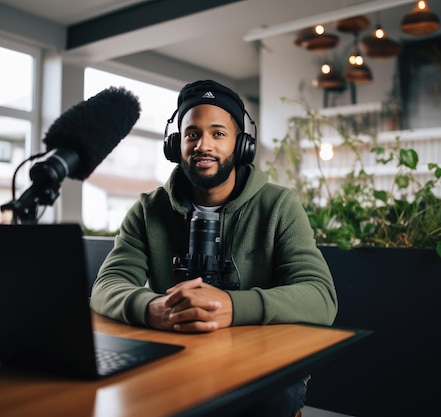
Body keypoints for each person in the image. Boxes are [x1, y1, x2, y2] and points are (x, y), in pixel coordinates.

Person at [90, 79, 338, 417]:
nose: (203, 144)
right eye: (192, 134)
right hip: (178, 355)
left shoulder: (279, 205)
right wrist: (155, 308)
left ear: (242, 144)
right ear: (176, 144)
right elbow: (107, 285)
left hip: (262, 363)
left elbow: (321, 297)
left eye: (218, 133)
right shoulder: (150, 209)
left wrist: (233, 307)